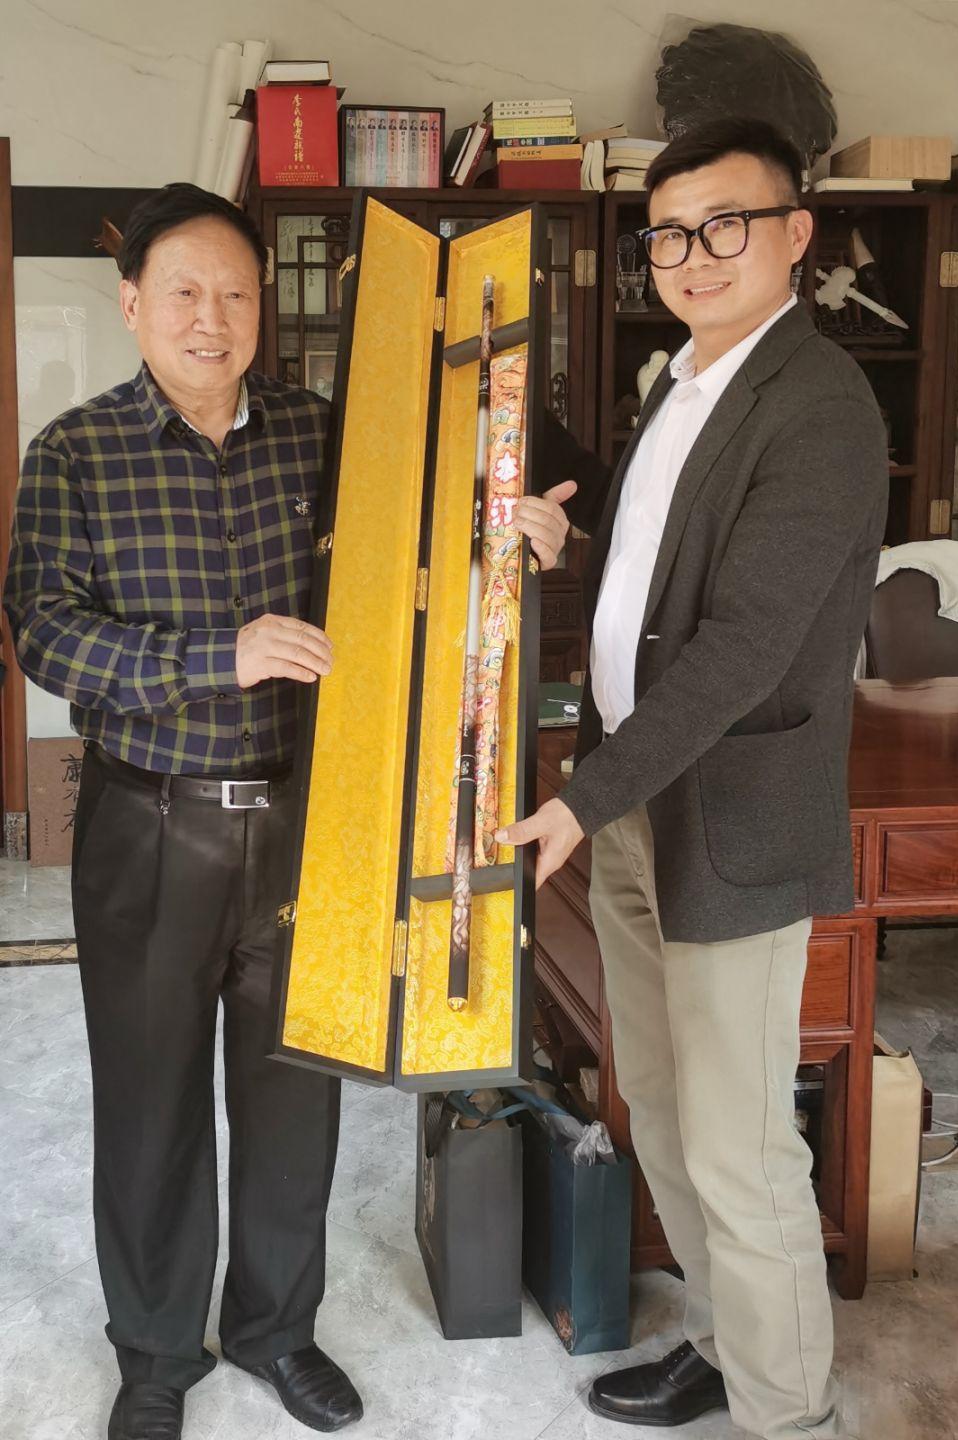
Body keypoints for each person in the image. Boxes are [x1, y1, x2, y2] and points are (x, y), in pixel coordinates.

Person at [4, 182, 572, 1440]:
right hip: (147, 823)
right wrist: (220, 656)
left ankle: (274, 1328)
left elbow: (423, 549)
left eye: (236, 294)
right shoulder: (75, 451)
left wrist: (510, 532)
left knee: (292, 1098)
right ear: (133, 304)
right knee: (148, 1105)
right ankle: (157, 1354)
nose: (211, 318)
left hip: (313, 823)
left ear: (264, 309)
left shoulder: (327, 434)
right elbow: (41, 632)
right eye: (185, 292)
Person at [500, 119, 888, 1440]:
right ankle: (725, 1350)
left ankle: (790, 1414)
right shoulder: (683, 383)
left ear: (796, 233)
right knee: (662, 1111)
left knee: (739, 1144)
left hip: (728, 824)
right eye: (669, 234)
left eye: (727, 223)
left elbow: (744, 644)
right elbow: (660, 577)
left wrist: (579, 798)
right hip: (633, 806)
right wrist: (574, 546)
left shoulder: (820, 403)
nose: (694, 254)